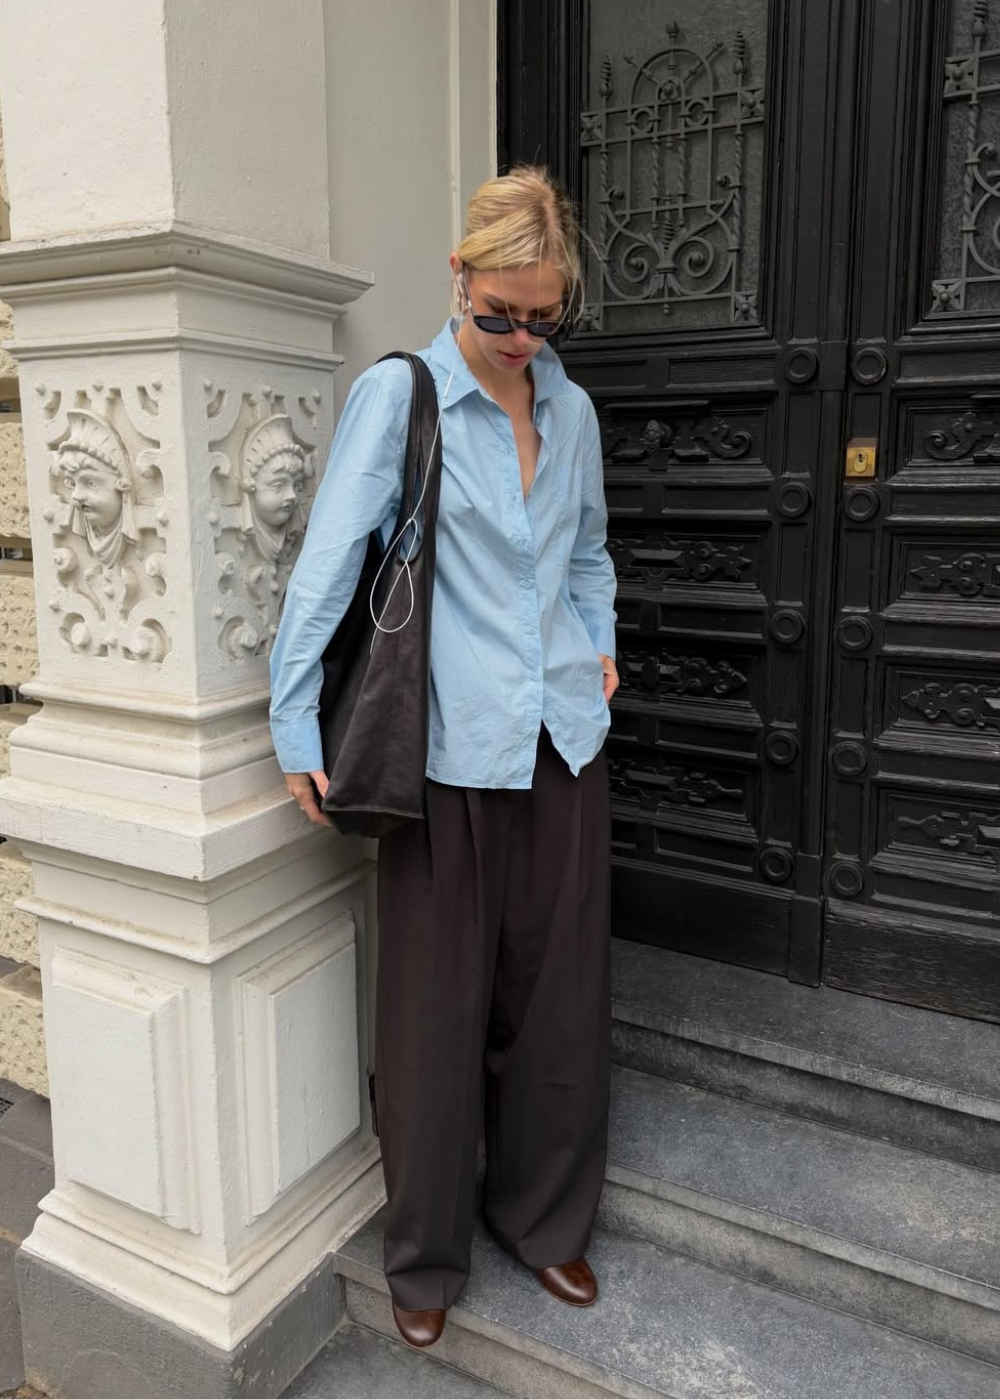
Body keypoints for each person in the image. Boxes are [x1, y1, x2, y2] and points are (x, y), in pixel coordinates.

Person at [268, 165, 619, 1350]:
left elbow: (587, 558)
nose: (521, 337)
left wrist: (602, 648)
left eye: (544, 316)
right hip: (444, 752)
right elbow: (328, 565)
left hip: (561, 740)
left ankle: (544, 1217)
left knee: (557, 1001)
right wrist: (291, 725)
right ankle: (423, 1248)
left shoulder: (568, 412)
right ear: (457, 278)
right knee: (433, 1015)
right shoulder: (403, 396)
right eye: (500, 312)